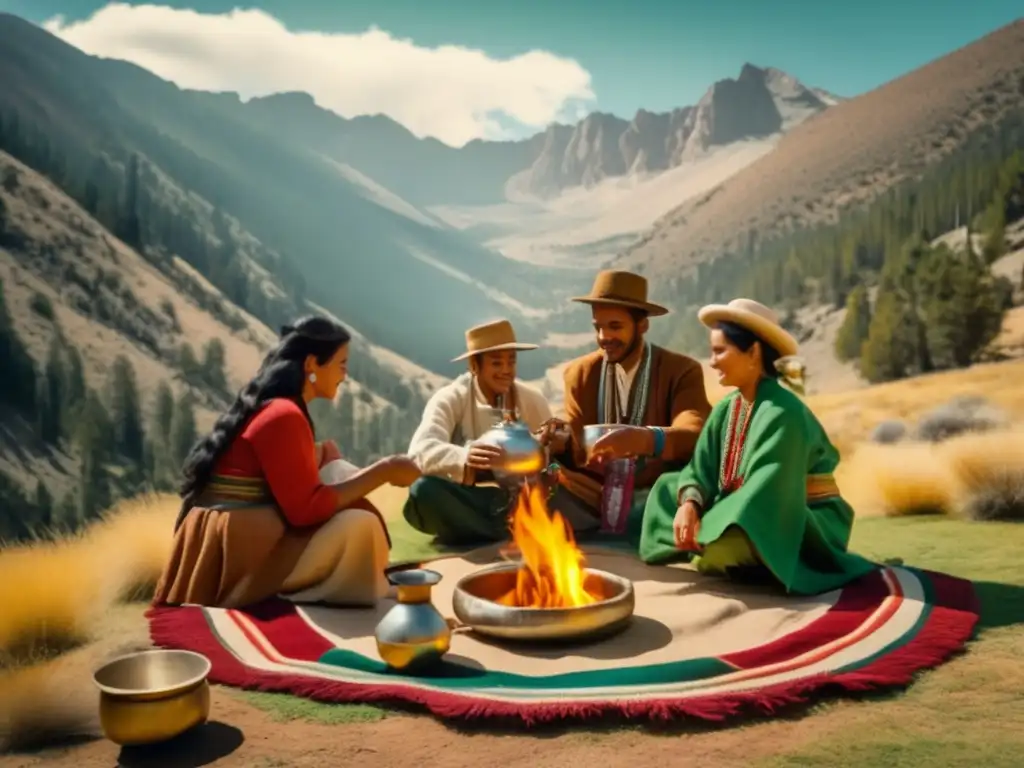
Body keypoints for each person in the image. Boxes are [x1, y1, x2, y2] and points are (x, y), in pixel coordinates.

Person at [153, 315, 422, 609]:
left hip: (245, 533)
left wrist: (321, 455)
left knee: (336, 470)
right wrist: (384, 471)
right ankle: (326, 586)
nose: (345, 375)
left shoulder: (279, 409)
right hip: (243, 551)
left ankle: (362, 579)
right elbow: (306, 511)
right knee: (362, 526)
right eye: (341, 365)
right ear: (311, 365)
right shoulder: (284, 415)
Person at [638, 298, 879, 595]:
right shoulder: (727, 407)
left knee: (734, 531)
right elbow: (701, 468)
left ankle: (718, 545)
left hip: (797, 519)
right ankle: (714, 541)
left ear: (752, 352)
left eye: (719, 351)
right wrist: (690, 504)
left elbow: (766, 493)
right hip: (738, 509)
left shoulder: (784, 413)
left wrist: (710, 518)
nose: (711, 362)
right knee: (665, 489)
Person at [543, 270, 712, 543]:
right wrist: (558, 440)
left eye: (615, 326)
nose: (603, 336)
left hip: (657, 492)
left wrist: (646, 439)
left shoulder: (681, 371)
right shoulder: (579, 374)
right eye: (597, 326)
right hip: (593, 493)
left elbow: (695, 431)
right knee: (540, 477)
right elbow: (576, 448)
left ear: (642, 325)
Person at [403, 319, 553, 546]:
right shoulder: (450, 398)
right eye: (496, 363)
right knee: (423, 492)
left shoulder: (532, 400)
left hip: (521, 498)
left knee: (560, 495)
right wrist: (465, 457)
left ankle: (484, 531)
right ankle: (512, 531)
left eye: (511, 362)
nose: (506, 371)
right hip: (471, 499)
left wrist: (540, 451)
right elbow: (419, 452)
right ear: (474, 366)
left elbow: (551, 461)